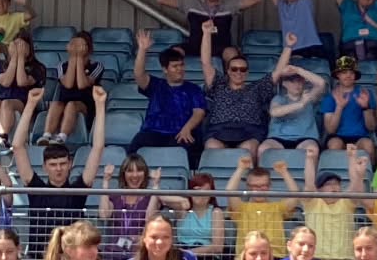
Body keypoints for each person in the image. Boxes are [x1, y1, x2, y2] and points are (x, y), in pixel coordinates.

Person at [11, 85, 108, 258]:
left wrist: (100, 106)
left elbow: (98, 149)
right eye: (53, 164)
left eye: (62, 164)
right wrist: (30, 104)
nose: (58, 169)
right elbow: (18, 147)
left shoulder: (78, 190)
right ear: (45, 167)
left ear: (70, 164)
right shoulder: (36, 189)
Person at [200, 24, 293, 153]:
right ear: (228, 71)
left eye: (243, 69)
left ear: (247, 73)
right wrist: (206, 33)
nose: (238, 72)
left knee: (249, 148)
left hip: (249, 130)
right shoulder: (218, 85)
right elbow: (206, 63)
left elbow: (278, 71)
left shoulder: (257, 88)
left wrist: (289, 46)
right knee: (212, 146)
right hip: (220, 129)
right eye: (234, 69)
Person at [128, 32, 206, 159]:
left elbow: (199, 112)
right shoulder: (155, 85)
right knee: (136, 146)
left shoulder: (193, 89)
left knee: (192, 149)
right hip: (153, 132)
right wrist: (142, 50)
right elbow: (138, 74)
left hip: (180, 133)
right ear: (165, 69)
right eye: (175, 66)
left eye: (181, 65)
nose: (180, 69)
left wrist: (187, 128)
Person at [0, 30, 45, 142]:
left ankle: (3, 137)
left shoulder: (37, 67)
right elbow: (5, 81)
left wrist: (20, 58)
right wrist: (13, 60)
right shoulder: (0, 65)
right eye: (15, 45)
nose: (17, 49)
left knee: (7, 103)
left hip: (23, 102)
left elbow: (22, 81)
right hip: (1, 98)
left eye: (21, 46)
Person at [159, 172, 225, 260]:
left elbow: (217, 247)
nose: (201, 195)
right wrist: (182, 200)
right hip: (182, 253)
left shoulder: (216, 212)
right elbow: (162, 197)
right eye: (197, 190)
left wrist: (190, 253)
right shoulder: (183, 211)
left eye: (206, 191)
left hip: (206, 256)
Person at [225, 155, 300, 249]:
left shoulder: (278, 207)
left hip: (275, 256)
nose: (259, 190)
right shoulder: (241, 208)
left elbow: (295, 195)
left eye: (263, 186)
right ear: (248, 187)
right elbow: (229, 191)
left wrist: (284, 172)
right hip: (247, 256)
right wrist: (240, 168)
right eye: (255, 186)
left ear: (269, 186)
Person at [41, 31, 104, 143]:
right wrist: (73, 58)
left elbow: (82, 84)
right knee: (55, 104)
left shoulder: (96, 66)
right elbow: (68, 84)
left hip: (85, 104)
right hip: (64, 100)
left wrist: (79, 58)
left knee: (72, 105)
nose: (77, 48)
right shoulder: (62, 65)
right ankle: (46, 136)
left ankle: (62, 137)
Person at [298, 144, 356, 260]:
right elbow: (309, 185)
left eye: (337, 184)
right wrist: (309, 159)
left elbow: (355, 184)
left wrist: (352, 157)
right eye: (328, 184)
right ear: (319, 189)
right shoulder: (313, 203)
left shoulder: (346, 203)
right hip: (317, 259)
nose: (334, 187)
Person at [259, 63, 328, 160]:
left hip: (305, 138)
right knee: (263, 149)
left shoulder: (308, 97)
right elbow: (274, 112)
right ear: (284, 83)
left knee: (312, 149)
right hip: (278, 138)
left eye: (300, 81)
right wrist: (300, 104)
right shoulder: (279, 98)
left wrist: (299, 70)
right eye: (292, 81)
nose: (297, 84)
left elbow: (321, 83)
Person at [98, 154, 159, 260]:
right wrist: (106, 181)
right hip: (114, 253)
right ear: (123, 174)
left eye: (139, 170)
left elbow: (149, 218)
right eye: (130, 171)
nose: (135, 175)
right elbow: (104, 214)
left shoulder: (150, 197)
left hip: (139, 253)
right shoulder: (116, 196)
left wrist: (156, 186)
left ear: (145, 174)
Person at [322, 58, 376, 155]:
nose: (348, 75)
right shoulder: (330, 97)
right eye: (344, 72)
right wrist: (339, 107)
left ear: (355, 75)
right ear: (338, 75)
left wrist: (365, 107)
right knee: (334, 145)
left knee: (368, 145)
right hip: (337, 137)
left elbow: (371, 127)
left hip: (360, 137)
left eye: (351, 72)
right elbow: (330, 130)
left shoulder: (365, 93)